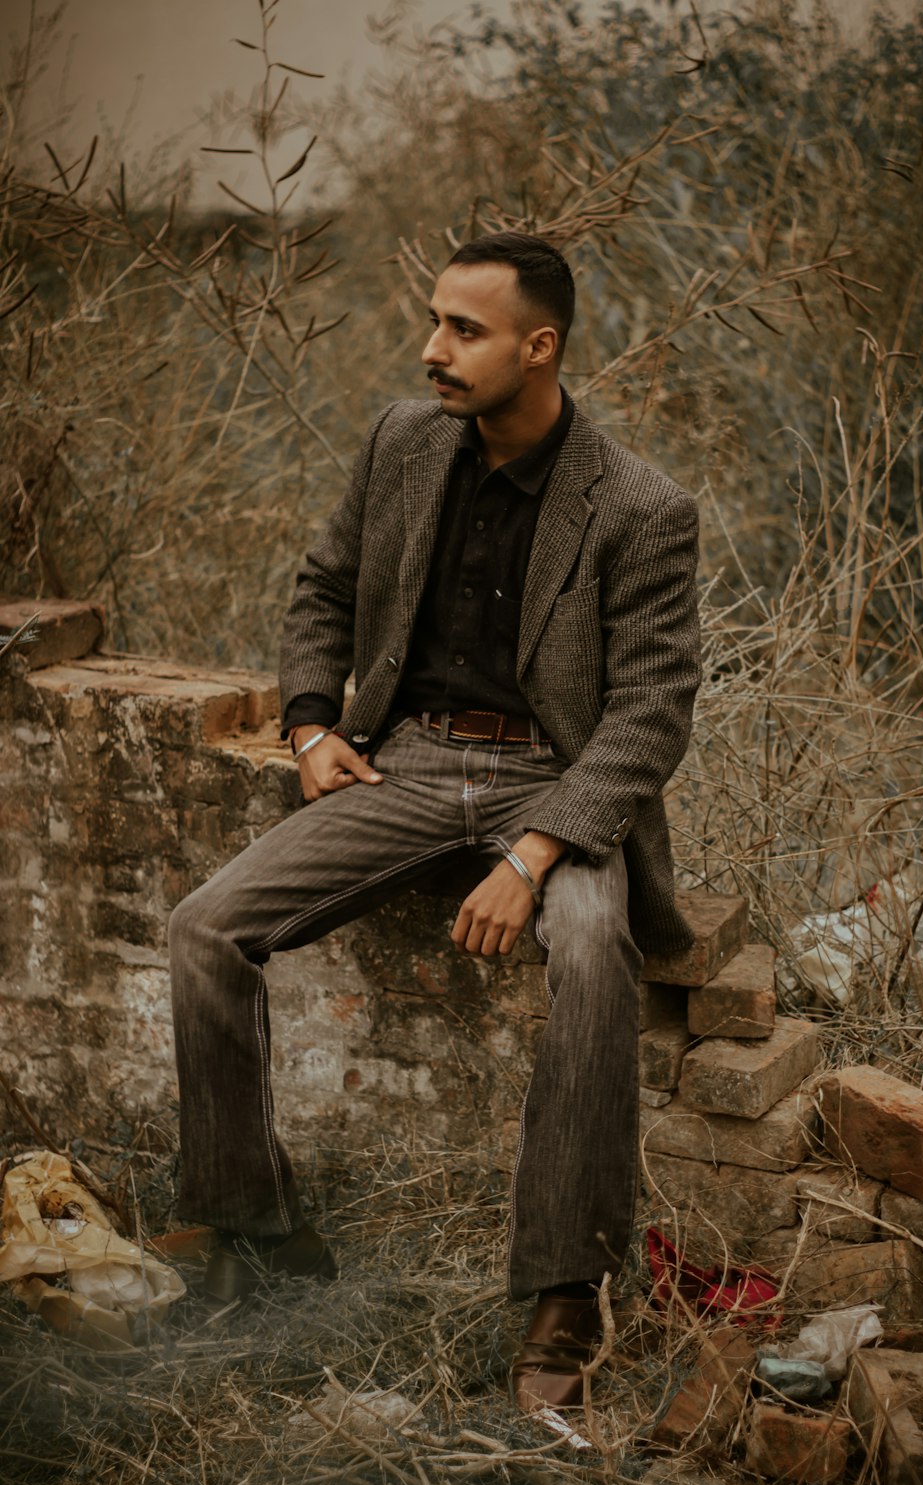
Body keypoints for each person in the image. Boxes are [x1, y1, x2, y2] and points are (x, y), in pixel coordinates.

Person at [168, 231, 701, 1412]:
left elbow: (650, 717)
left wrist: (532, 851)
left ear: (539, 346)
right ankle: (251, 1227)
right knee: (204, 930)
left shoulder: (639, 508)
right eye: (434, 321)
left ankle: (565, 1297)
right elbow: (323, 586)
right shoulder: (402, 445)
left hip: (556, 788)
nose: (432, 351)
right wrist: (312, 724)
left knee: (589, 948)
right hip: (405, 765)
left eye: (464, 330)